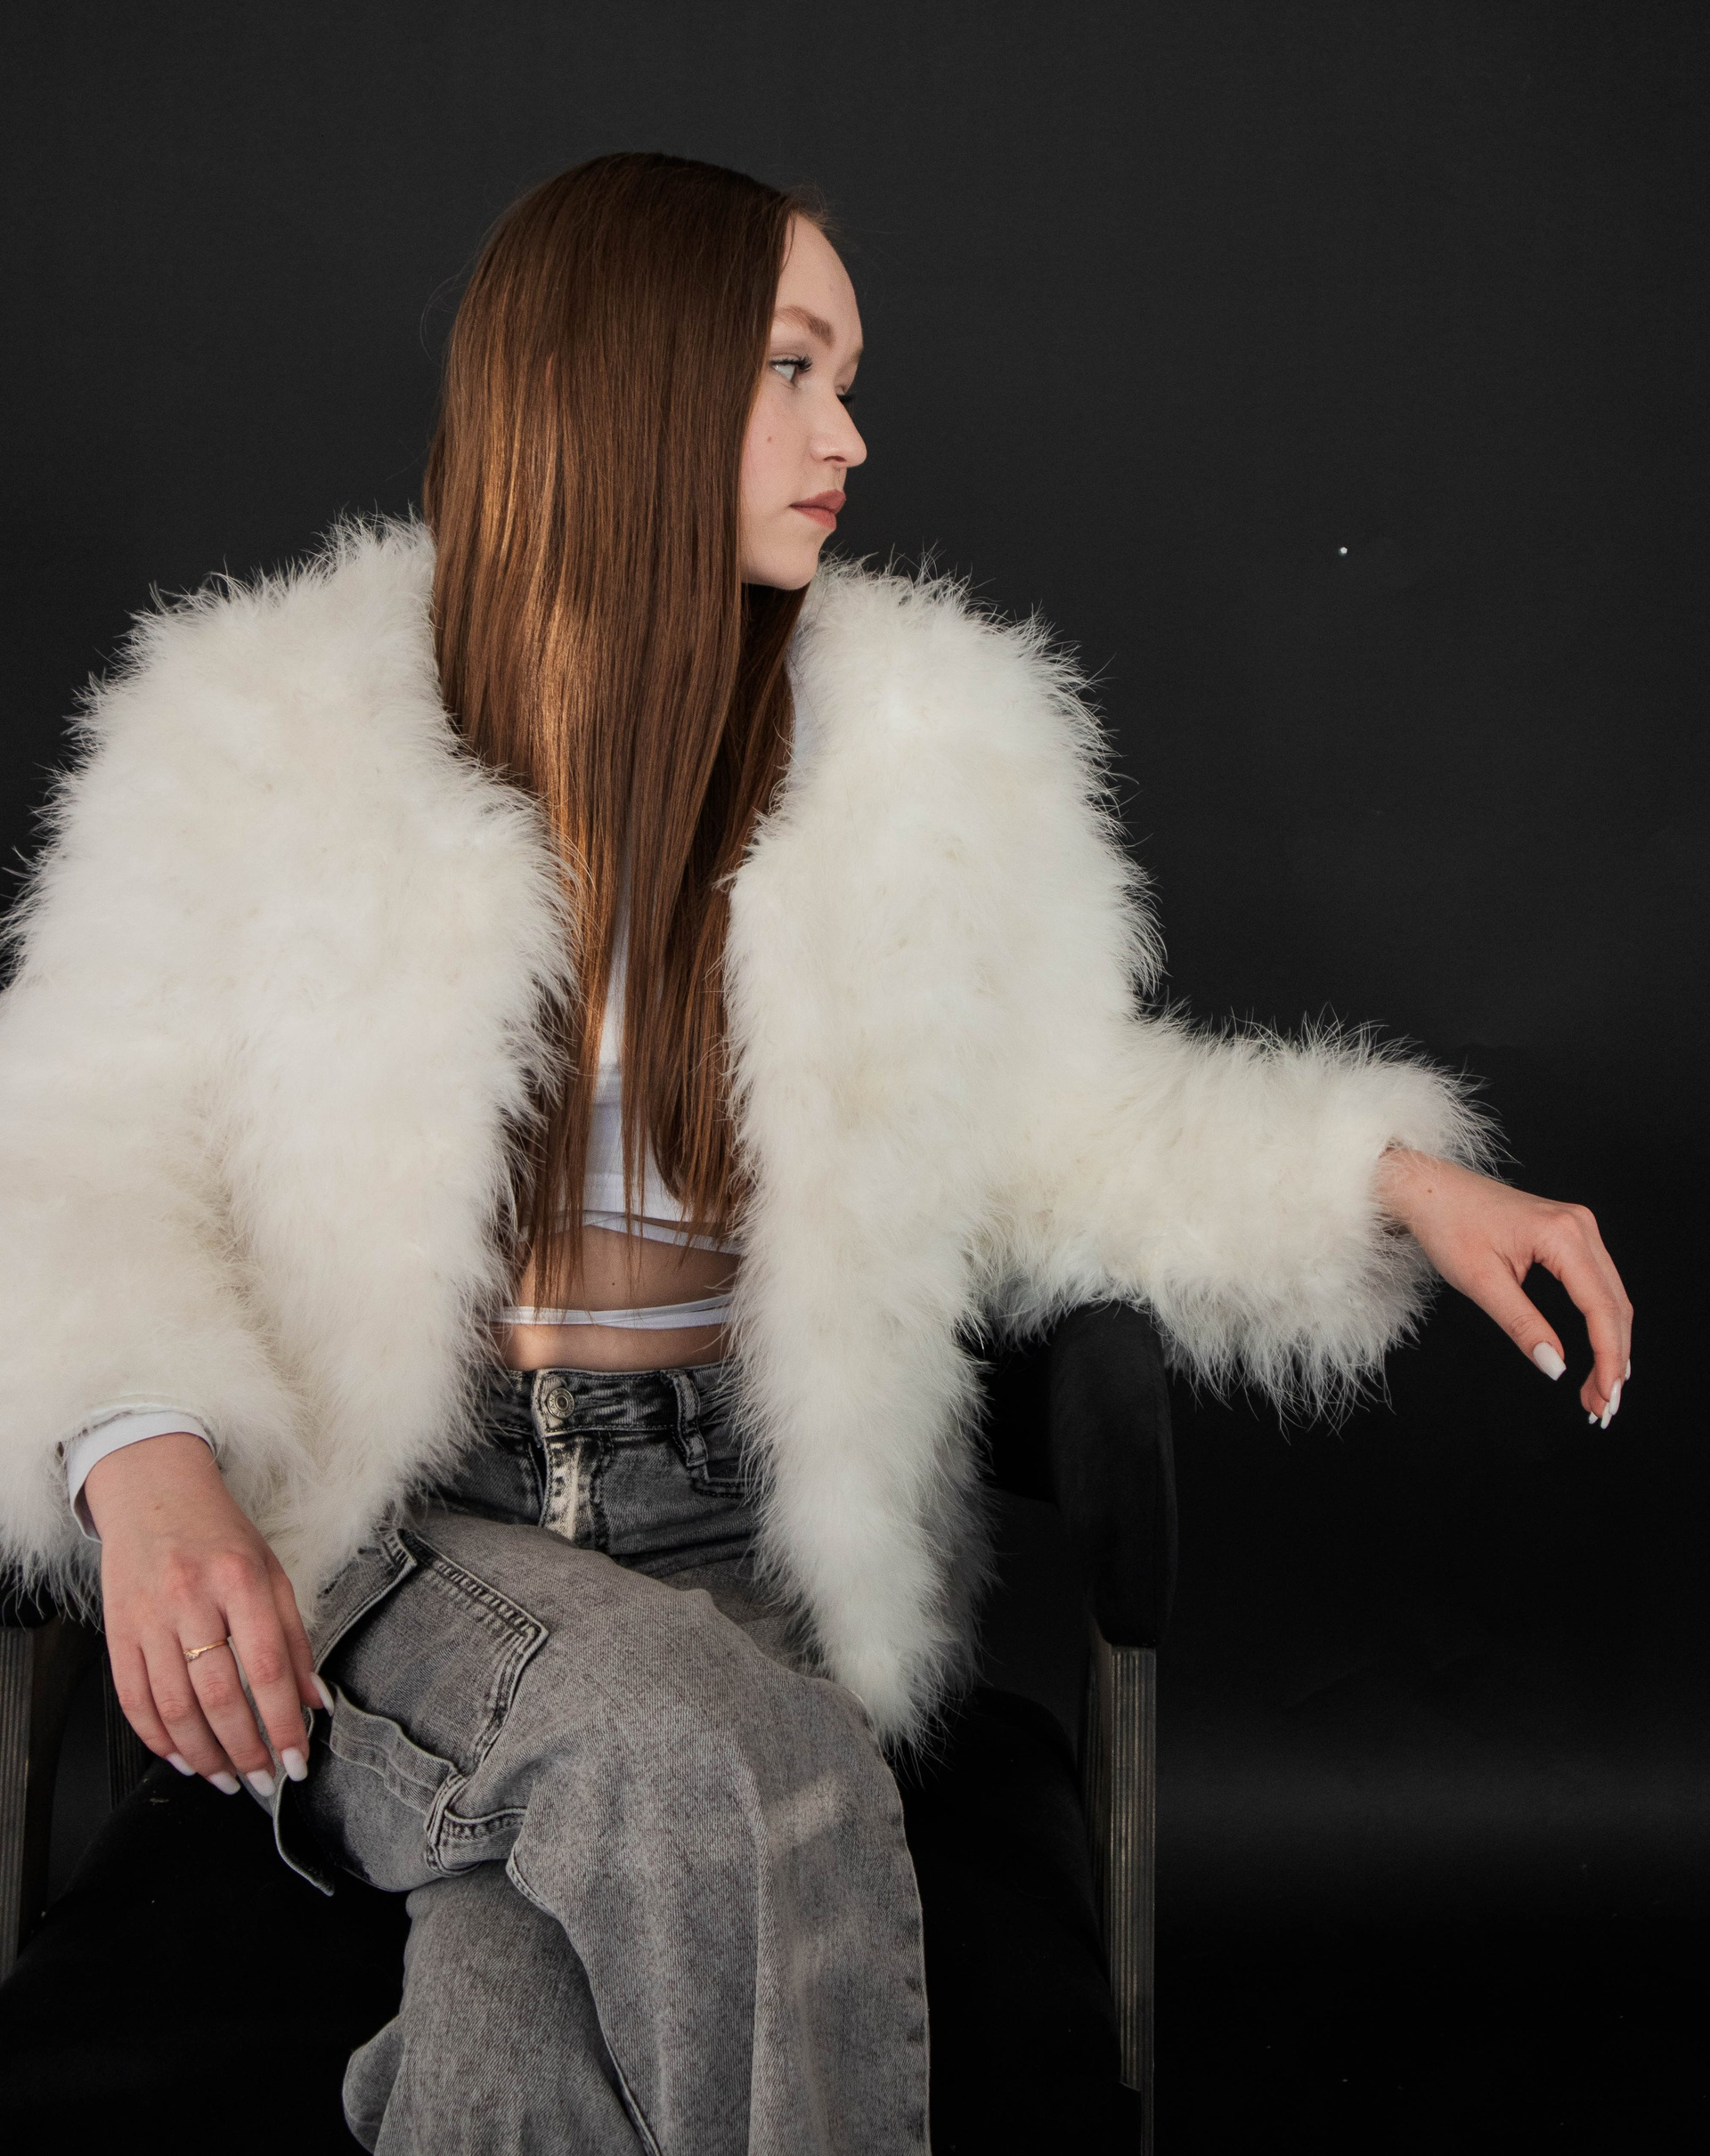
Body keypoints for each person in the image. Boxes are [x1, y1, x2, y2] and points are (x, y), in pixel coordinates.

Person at [0, 153, 1633, 2152]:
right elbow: (69, 1142)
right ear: (625, 374)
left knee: (518, 2035)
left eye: (847, 378)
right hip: (393, 1536)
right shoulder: (254, 730)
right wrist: (143, 1455)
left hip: (738, 1526)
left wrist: (1386, 1177)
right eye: (793, 368)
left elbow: (1054, 1129)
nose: (850, 434)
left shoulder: (921, 749)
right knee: (743, 1775)